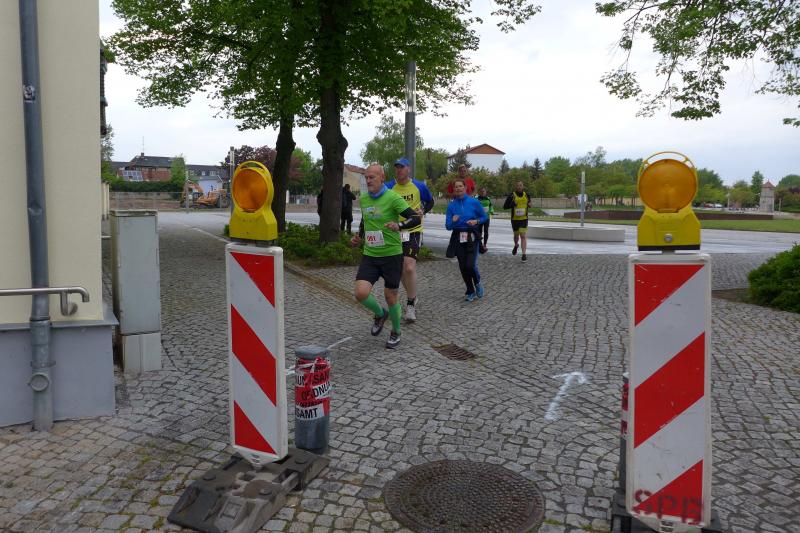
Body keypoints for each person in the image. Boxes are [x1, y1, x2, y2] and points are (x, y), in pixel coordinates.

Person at [350, 164, 421, 349]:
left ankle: (396, 331)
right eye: (366, 177)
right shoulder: (364, 199)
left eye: (372, 177)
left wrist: (399, 225)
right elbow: (365, 221)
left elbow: (415, 218)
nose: (368, 181)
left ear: (382, 177)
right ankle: (381, 314)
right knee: (360, 293)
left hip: (391, 255)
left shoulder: (392, 197)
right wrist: (359, 237)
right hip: (370, 255)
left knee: (391, 296)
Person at [386, 157, 434, 321]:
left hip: (413, 230)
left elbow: (430, 201)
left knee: (409, 267)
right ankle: (413, 296)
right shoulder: (389, 187)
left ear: (408, 169)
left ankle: (410, 305)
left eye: (402, 167)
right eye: (396, 167)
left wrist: (423, 210)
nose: (399, 170)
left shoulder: (419, 186)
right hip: (395, 231)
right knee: (400, 270)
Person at [445, 179, 487, 301]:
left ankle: (477, 282)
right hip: (458, 237)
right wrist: (453, 221)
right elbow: (448, 226)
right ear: (453, 189)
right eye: (456, 187)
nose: (458, 188)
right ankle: (470, 291)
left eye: (460, 186)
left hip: (471, 236)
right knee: (463, 266)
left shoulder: (474, 202)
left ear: (465, 187)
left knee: (470, 265)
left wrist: (476, 221)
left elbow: (484, 217)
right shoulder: (451, 206)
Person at [503, 181, 531, 261]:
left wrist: (529, 205)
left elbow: (530, 204)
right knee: (516, 235)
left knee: (523, 235)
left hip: (524, 219)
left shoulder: (527, 195)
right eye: (518, 185)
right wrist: (512, 204)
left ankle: (524, 254)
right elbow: (505, 206)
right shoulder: (512, 195)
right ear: (515, 187)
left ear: (523, 186)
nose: (519, 187)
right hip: (515, 219)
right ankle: (516, 245)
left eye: (520, 185)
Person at [475, 186, 493, 254]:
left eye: (484, 191)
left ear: (486, 192)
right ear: (479, 192)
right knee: (479, 231)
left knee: (486, 231)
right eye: (481, 191)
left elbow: (491, 206)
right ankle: (480, 244)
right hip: (479, 218)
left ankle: (485, 244)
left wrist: (491, 211)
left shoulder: (488, 198)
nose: (483, 192)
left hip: (486, 217)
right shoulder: (476, 199)